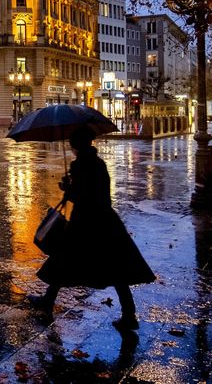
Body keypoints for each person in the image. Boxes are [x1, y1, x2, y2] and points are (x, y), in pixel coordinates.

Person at [31, 125, 155, 332]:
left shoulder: (81, 165)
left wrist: (68, 189)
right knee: (116, 267)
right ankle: (129, 314)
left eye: (71, 142)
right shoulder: (97, 163)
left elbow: (82, 196)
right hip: (106, 220)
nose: (70, 145)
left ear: (76, 144)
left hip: (86, 221)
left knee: (64, 259)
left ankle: (47, 300)